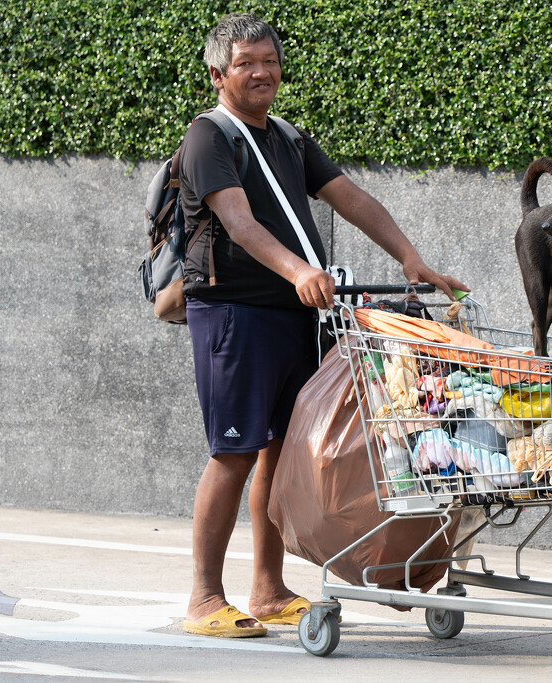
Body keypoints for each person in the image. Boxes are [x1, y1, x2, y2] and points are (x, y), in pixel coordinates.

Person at [177, 13, 468, 638]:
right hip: (234, 313)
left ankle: (267, 587)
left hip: (294, 316)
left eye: (269, 61)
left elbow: (351, 198)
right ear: (217, 74)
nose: (261, 72)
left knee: (279, 456)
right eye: (245, 63)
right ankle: (204, 598)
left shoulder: (285, 136)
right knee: (231, 453)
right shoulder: (209, 138)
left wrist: (410, 259)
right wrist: (296, 270)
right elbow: (239, 223)